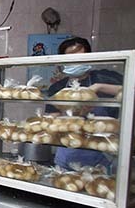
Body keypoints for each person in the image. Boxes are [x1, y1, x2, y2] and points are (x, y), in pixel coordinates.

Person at [47, 37, 122, 171]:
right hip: (68, 155)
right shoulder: (58, 88)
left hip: (102, 156)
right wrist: (72, 115)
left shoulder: (105, 77)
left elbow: (134, 91)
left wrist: (98, 87)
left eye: (81, 58)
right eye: (71, 59)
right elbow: (52, 123)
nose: (77, 63)